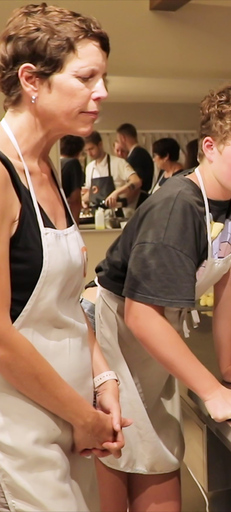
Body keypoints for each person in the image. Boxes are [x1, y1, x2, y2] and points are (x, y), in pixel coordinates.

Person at [93, 82, 231, 511]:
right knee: (116, 458)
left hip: (151, 338)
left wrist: (228, 365)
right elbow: (141, 315)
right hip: (114, 338)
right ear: (211, 147)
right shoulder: (177, 206)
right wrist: (211, 390)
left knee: (156, 455)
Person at [0, 4, 128, 510]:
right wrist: (82, 417)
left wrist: (102, 378)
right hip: (18, 427)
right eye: (86, 77)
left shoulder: (47, 167)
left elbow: (67, 302)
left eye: (103, 78)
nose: (102, 93)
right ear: (32, 80)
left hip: (70, 415)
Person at [83, 130, 142, 215]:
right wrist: (82, 200)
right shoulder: (89, 168)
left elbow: (136, 181)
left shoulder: (119, 163)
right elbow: (91, 192)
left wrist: (116, 193)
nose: (89, 153)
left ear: (100, 145)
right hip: (97, 214)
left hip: (119, 213)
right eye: (86, 150)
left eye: (91, 149)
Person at [116, 122, 154, 196]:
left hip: (138, 199)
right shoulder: (142, 152)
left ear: (122, 138)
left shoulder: (136, 155)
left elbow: (137, 183)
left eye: (118, 140)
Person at [59, 134, 85, 223]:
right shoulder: (73, 164)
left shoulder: (57, 163)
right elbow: (75, 199)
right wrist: (75, 224)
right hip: (65, 217)